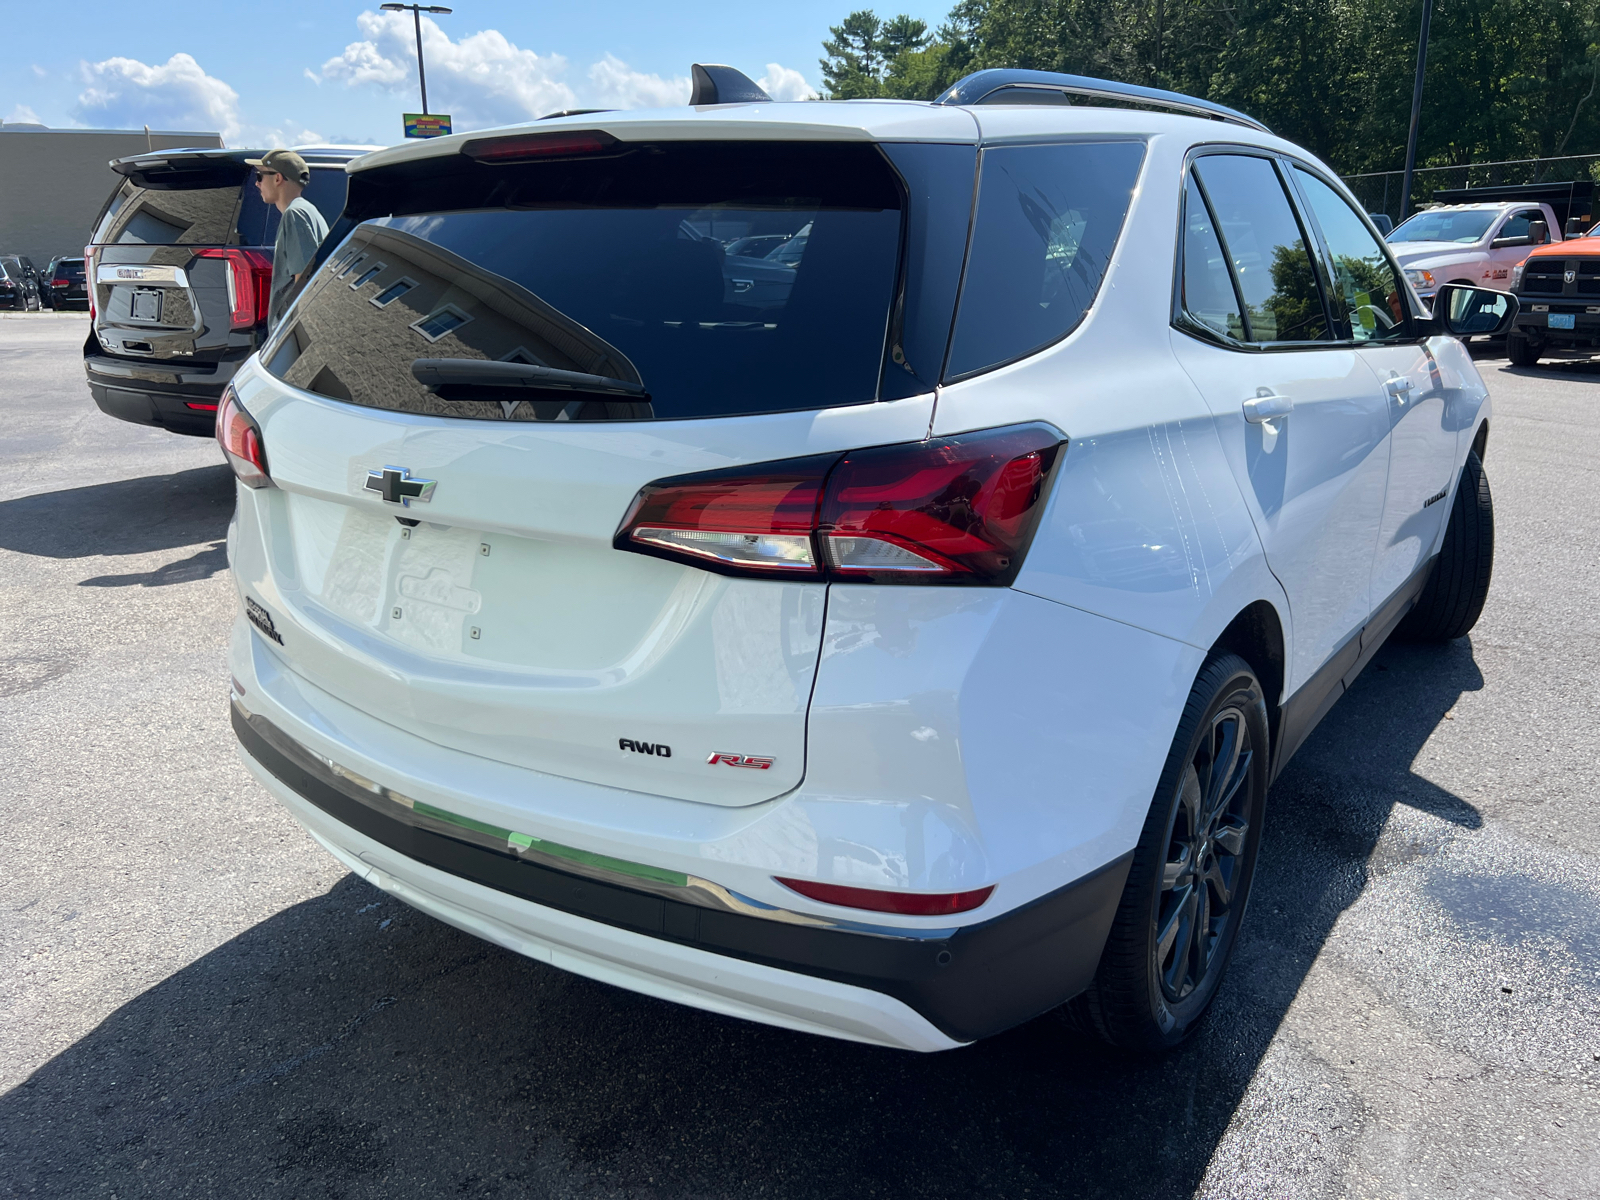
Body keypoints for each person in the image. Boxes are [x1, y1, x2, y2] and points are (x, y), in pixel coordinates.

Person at [246, 149, 328, 329]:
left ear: (277, 179)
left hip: (292, 329)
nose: (257, 184)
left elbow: (304, 281)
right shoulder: (306, 210)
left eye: (260, 177)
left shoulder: (295, 214)